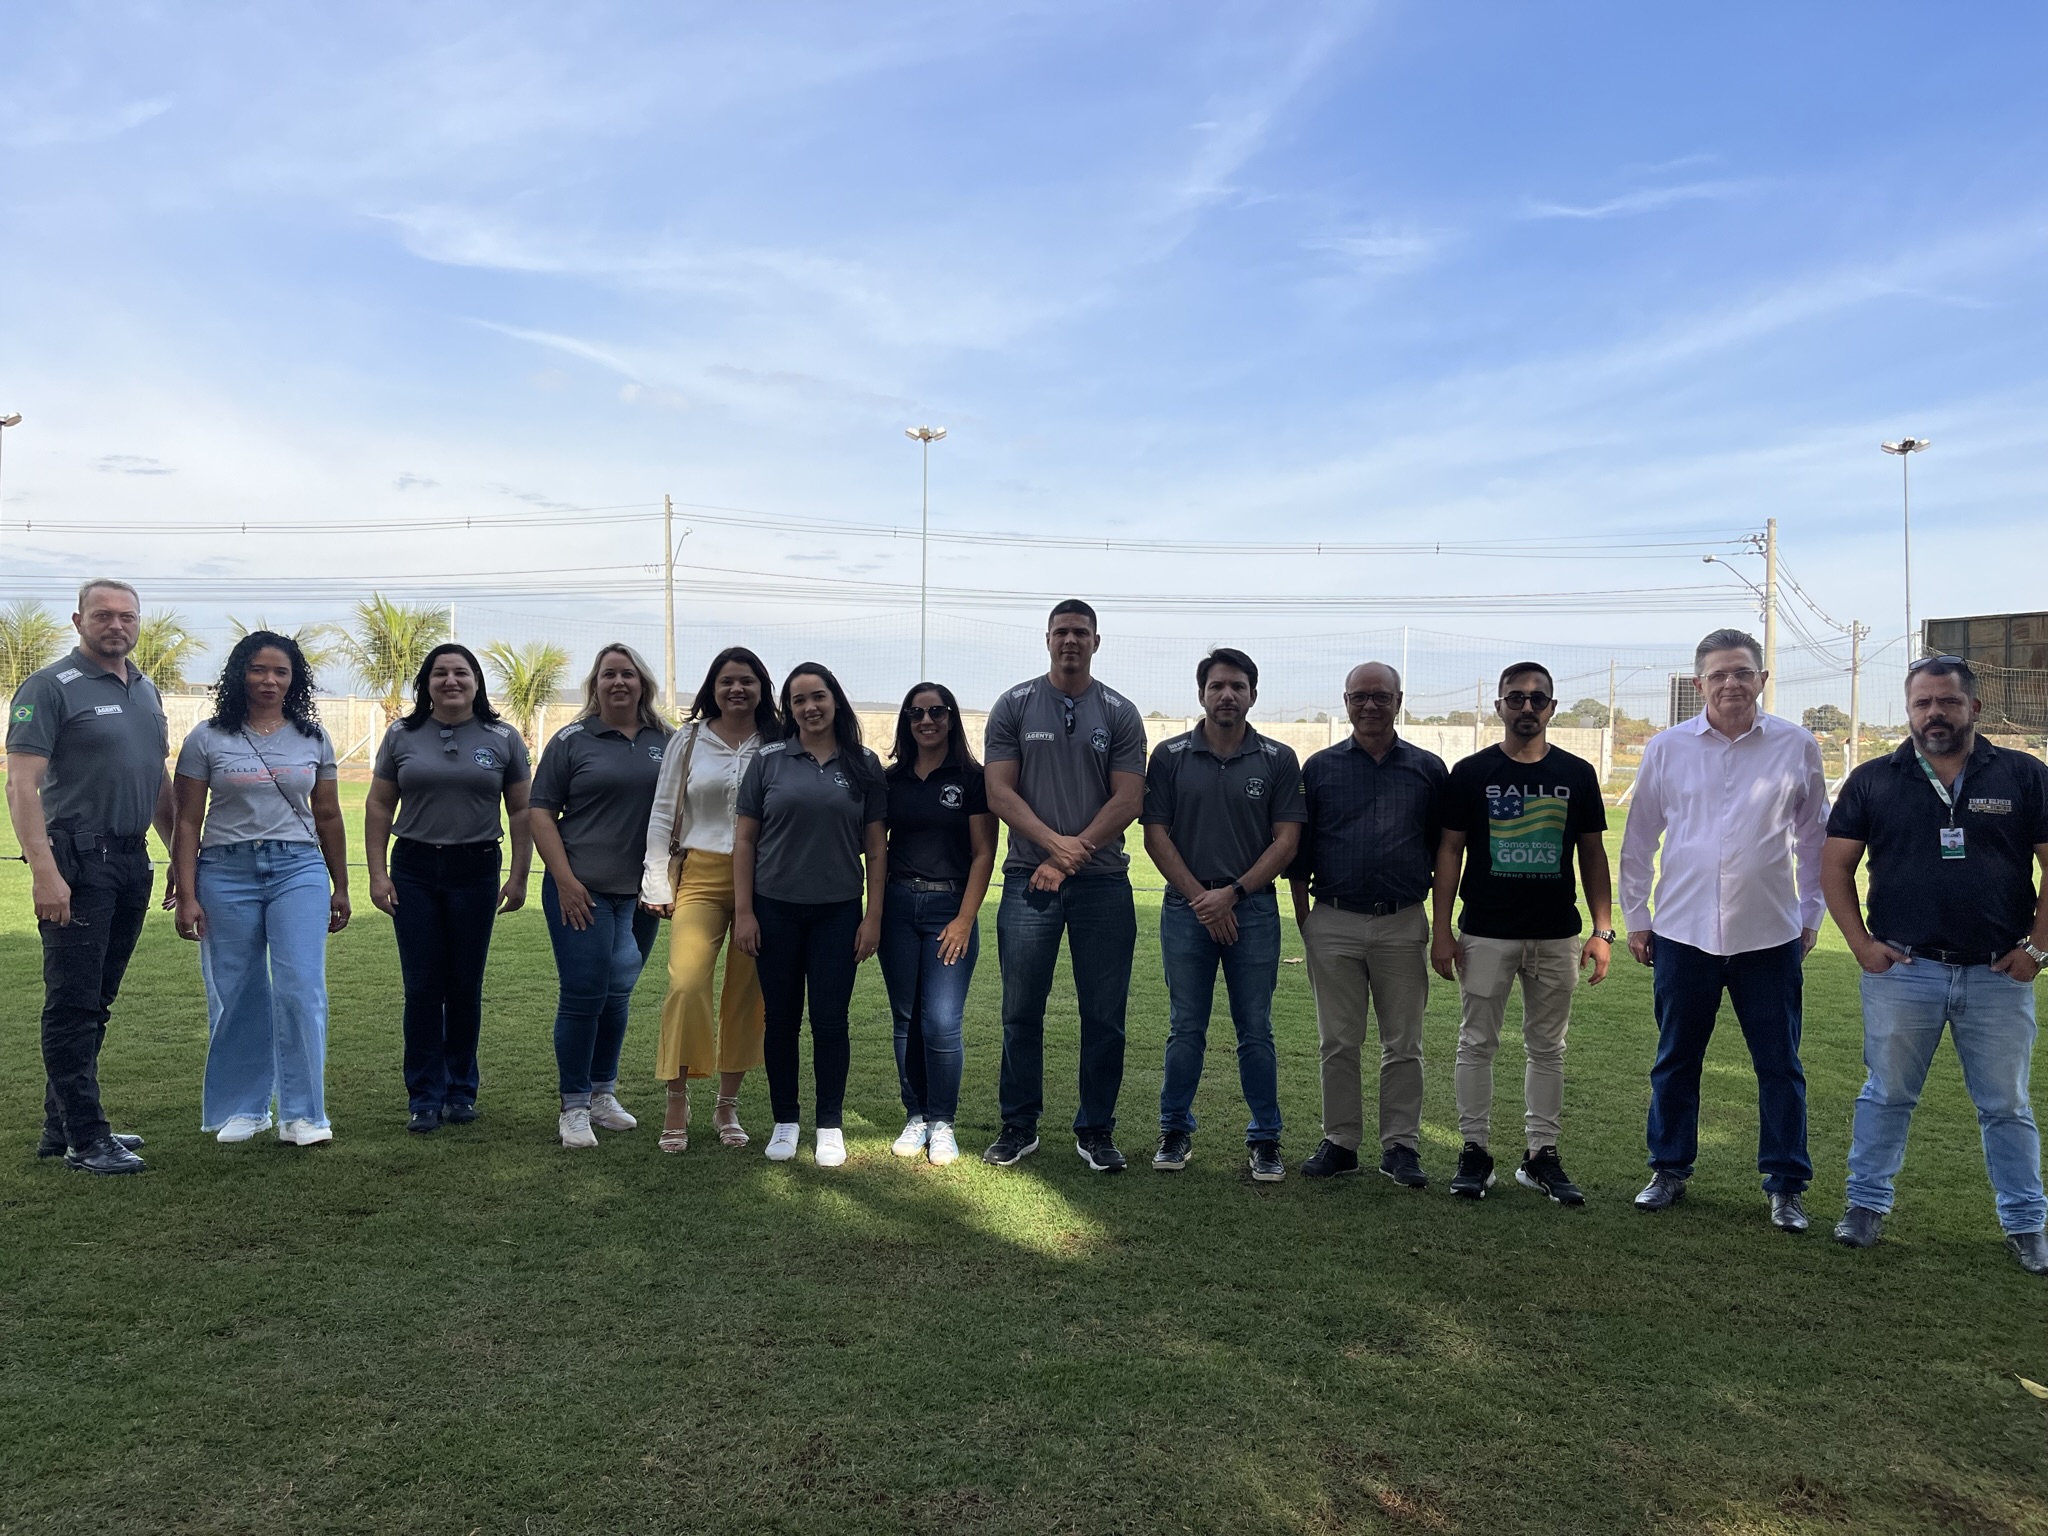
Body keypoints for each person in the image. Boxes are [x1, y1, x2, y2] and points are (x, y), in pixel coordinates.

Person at [1821, 655, 2048, 1275]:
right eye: (1922, 703)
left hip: (1998, 975)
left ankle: (2027, 1221)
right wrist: (1862, 944)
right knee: (1887, 1094)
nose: (1934, 714)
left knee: (2006, 1104)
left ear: (1974, 708)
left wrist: (2037, 950)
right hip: (1905, 971)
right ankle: (1865, 1207)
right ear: (1909, 710)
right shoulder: (1874, 779)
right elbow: (1833, 867)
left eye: (1947, 702)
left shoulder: (2024, 775)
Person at [1620, 627, 1827, 1231]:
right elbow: (1638, 841)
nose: (1731, 683)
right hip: (1683, 933)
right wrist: (1638, 918)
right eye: (1719, 674)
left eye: (1743, 672)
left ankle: (1786, 1183)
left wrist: (1810, 915)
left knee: (1780, 1064)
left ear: (1763, 679)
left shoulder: (1797, 745)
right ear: (1698, 684)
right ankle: (1668, 1169)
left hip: (1769, 935)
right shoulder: (1667, 748)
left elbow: (1814, 837)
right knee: (1676, 1059)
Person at [1430, 662, 1612, 1205]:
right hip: (1486, 931)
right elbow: (1449, 851)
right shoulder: (1470, 772)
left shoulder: (1577, 774)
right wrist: (1442, 931)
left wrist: (1603, 930)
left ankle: (1541, 1156)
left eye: (1538, 699)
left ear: (1552, 708)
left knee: (1548, 1048)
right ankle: (1474, 1151)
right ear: (1500, 707)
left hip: (1557, 934)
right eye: (1516, 698)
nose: (1527, 708)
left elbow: (1592, 854)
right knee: (1476, 1043)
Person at [5, 578, 171, 1175]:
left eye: (127, 616)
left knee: (98, 1000)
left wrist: (179, 853)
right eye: (103, 615)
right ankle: (86, 1137)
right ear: (78, 621)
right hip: (75, 860)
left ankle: (63, 1125)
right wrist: (45, 875)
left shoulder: (147, 691)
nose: (117, 625)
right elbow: (21, 785)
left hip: (131, 862)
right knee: (73, 1003)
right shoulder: (49, 687)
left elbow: (156, 781)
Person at [982, 600, 1148, 1173]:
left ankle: (1096, 1130)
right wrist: (1054, 847)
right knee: (1020, 1010)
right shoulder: (1014, 704)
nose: (1070, 641)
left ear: (1096, 642)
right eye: (1061, 632)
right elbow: (999, 793)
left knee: (1104, 1015)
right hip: (1030, 880)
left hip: (1102, 885)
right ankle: (1018, 1125)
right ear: (1046, 639)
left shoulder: (1120, 712)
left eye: (1080, 633)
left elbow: (1128, 799)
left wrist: (1069, 857)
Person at [171, 631, 351, 1146]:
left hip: (299, 869)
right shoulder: (207, 737)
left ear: (294, 680)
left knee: (300, 990)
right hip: (225, 872)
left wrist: (341, 885)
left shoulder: (312, 738)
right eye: (258, 670)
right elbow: (187, 822)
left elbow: (329, 815)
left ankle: (305, 1114)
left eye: (281, 672)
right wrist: (187, 894)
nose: (269, 681)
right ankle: (246, 1108)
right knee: (237, 992)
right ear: (238, 675)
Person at [1142, 648, 1305, 1181]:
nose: (1227, 695)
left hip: (1252, 910)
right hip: (1187, 909)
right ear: (1201, 694)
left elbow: (1286, 841)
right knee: (1185, 1027)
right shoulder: (1168, 755)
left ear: (1253, 694)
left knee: (1255, 1028)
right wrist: (1201, 900)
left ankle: (1265, 1138)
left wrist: (1231, 894)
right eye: (1217, 686)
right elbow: (1155, 835)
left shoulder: (1279, 759)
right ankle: (1174, 1130)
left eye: (1237, 686)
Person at [1288, 663, 1447, 1185]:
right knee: (1338, 1041)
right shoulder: (1319, 768)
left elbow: (1443, 849)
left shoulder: (1427, 769)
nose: (1371, 706)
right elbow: (1299, 852)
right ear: (1346, 701)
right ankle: (1340, 1141)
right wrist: (1308, 921)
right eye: (1361, 697)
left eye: (1381, 696)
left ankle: (1400, 1145)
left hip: (1401, 921)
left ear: (1400, 700)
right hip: (1332, 919)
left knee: (1404, 1042)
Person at [364, 643, 533, 1134]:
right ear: (426, 684)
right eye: (440, 673)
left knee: (464, 985)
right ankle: (423, 1095)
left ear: (477, 683)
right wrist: (378, 874)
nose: (451, 680)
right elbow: (378, 806)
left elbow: (521, 810)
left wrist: (519, 875)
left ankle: (460, 1090)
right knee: (421, 987)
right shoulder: (402, 734)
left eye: (461, 672)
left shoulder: (502, 737)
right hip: (414, 866)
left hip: (476, 867)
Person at [733, 663, 887, 1167]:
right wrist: (745, 912)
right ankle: (785, 1121)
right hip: (774, 911)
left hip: (838, 913)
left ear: (835, 700)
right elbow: (745, 840)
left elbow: (877, 849)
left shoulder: (863, 763)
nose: (809, 708)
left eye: (817, 696)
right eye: (798, 701)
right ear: (788, 709)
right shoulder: (768, 760)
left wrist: (873, 918)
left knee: (830, 1021)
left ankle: (828, 1124)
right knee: (779, 1020)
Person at [529, 645, 671, 1150]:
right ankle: (573, 1105)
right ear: (596, 684)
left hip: (642, 896)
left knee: (618, 992)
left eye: (627, 673)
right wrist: (565, 881)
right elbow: (540, 812)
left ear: (642, 683)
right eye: (608, 674)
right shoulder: (571, 740)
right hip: (581, 890)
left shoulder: (667, 742)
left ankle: (603, 1092)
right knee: (585, 991)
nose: (618, 682)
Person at [641, 646, 777, 1153]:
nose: (736, 689)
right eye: (726, 681)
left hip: (764, 882)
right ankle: (677, 1098)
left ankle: (727, 1105)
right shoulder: (690, 738)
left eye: (747, 681)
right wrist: (657, 879)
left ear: (762, 687)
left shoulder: (778, 741)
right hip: (699, 873)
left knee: (747, 992)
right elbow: (662, 811)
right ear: (713, 688)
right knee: (687, 983)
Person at [879, 681, 996, 1168]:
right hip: (898, 909)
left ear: (952, 718)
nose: (927, 721)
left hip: (950, 908)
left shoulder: (972, 777)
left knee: (942, 1022)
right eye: (916, 713)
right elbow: (876, 848)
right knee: (906, 1020)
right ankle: (917, 1115)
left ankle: (943, 1121)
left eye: (937, 711)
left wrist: (965, 919)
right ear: (906, 722)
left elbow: (984, 852)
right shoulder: (891, 779)